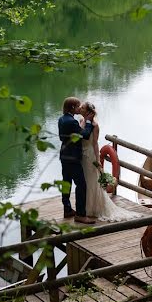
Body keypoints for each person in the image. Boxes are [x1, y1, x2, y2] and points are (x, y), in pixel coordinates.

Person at [79, 101, 142, 222]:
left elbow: (95, 143)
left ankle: (92, 208)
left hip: (90, 154)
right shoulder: (81, 121)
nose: (80, 109)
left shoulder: (95, 125)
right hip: (81, 153)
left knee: (91, 180)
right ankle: (85, 207)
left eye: (82, 107)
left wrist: (97, 160)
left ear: (87, 111)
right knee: (84, 180)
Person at [58, 96, 96, 224]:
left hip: (64, 156)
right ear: (73, 107)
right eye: (78, 106)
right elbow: (85, 135)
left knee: (66, 183)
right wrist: (89, 122)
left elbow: (61, 138)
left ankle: (67, 209)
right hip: (73, 158)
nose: (80, 108)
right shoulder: (72, 122)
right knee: (81, 185)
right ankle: (80, 214)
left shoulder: (62, 119)